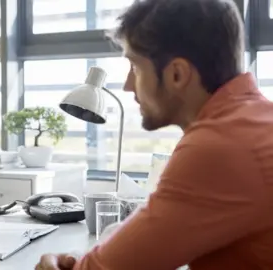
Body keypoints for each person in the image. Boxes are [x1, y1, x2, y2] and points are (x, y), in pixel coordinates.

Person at [36, 0, 273, 269]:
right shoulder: (254, 122)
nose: (127, 85)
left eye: (135, 67)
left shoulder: (220, 146)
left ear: (176, 74)